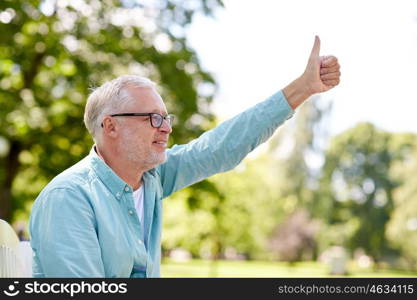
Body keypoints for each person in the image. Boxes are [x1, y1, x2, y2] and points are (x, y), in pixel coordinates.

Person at [29, 36, 340, 277]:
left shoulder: (151, 178)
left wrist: (303, 88)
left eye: (166, 118)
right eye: (152, 118)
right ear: (111, 126)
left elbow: (220, 147)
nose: (165, 129)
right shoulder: (69, 198)